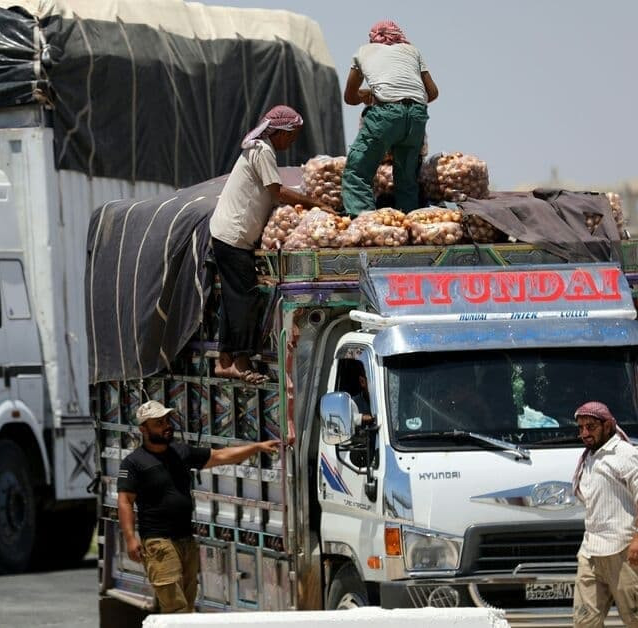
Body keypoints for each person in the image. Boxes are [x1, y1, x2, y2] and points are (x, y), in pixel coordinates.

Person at [117, 401, 280, 613]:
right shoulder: (134, 463)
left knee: (187, 605)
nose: (166, 426)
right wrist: (130, 538)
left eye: (167, 420)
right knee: (176, 607)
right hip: (158, 542)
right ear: (143, 429)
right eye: (158, 423)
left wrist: (257, 447)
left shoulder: (180, 452)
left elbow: (220, 456)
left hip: (186, 539)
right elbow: (125, 501)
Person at [209, 105, 322, 384]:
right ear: (280, 132)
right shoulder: (262, 151)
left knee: (232, 298)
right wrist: (317, 204)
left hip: (229, 235)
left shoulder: (259, 150)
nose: (292, 141)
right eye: (292, 135)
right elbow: (278, 191)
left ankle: (225, 362)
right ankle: (242, 361)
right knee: (245, 299)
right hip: (233, 236)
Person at [571, 401, 638, 627]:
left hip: (624, 551)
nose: (584, 433)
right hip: (591, 552)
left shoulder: (625, 454)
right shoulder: (589, 458)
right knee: (585, 623)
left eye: (590, 426)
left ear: (608, 425)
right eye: (581, 427)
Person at [341, 20, 439, 215]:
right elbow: (433, 93)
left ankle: (364, 221)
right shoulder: (412, 51)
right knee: (407, 178)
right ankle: (409, 223)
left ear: (373, 38)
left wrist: (366, 95)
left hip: (385, 114)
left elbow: (349, 98)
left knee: (357, 172)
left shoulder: (363, 51)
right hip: (417, 115)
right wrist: (407, 100)